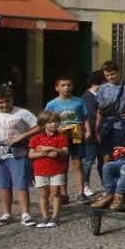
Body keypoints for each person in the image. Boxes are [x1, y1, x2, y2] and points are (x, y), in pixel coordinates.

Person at [0, 84, 40, 226]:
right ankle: (6, 213)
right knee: (3, 184)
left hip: (18, 152)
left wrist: (22, 136)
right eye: (0, 102)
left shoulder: (22, 113)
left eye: (8, 101)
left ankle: (26, 214)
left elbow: (39, 126)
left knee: (21, 182)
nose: (5, 105)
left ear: (12, 99)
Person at [44, 75, 88, 204]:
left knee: (78, 164)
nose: (66, 88)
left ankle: (81, 192)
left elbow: (84, 117)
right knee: (62, 166)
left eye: (69, 85)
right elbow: (46, 120)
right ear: (57, 88)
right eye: (63, 85)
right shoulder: (52, 104)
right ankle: (63, 193)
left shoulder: (79, 101)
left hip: (76, 136)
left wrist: (88, 131)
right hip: (60, 137)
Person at [27, 112, 69, 228]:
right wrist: (44, 153)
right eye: (50, 122)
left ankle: (55, 217)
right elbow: (31, 155)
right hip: (40, 170)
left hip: (57, 170)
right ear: (43, 124)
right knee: (43, 194)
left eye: (56, 122)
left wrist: (52, 148)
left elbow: (65, 152)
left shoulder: (61, 137)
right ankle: (45, 217)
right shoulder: (36, 138)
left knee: (55, 193)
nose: (54, 124)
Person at [95, 61, 125, 165]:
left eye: (112, 74)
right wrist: (97, 127)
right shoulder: (102, 88)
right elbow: (100, 107)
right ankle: (107, 176)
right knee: (106, 153)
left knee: (119, 152)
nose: (110, 77)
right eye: (107, 75)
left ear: (118, 72)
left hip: (122, 124)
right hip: (106, 124)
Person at [79, 69, 105, 199]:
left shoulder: (101, 94)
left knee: (103, 160)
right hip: (93, 133)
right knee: (88, 161)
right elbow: (90, 117)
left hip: (103, 131)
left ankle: (105, 185)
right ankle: (85, 185)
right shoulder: (88, 97)